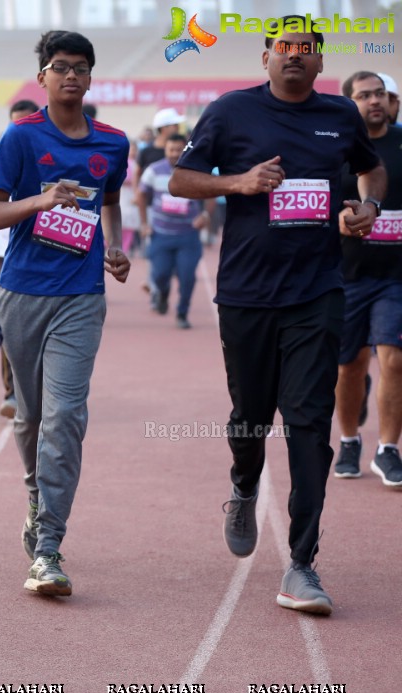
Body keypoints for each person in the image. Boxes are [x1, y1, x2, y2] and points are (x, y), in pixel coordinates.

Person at [169, 19, 384, 615]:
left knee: (310, 424)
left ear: (320, 62)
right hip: (246, 295)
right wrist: (239, 182)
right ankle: (242, 485)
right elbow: (181, 180)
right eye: (284, 49)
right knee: (250, 417)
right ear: (266, 58)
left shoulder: (341, 115)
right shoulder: (229, 112)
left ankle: (302, 564)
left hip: (318, 291)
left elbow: (372, 168)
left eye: (306, 49)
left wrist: (367, 205)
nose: (294, 56)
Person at [0, 30, 131, 598]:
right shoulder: (21, 139)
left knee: (65, 416)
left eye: (81, 68)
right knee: (29, 416)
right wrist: (41, 201)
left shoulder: (114, 143)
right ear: (42, 76)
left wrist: (113, 247)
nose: (71, 76)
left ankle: (47, 547)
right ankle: (35, 492)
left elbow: (109, 200)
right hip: (21, 293)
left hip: (82, 295)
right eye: (60, 67)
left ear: (92, 78)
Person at [331, 71, 402, 487]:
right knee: (350, 367)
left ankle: (389, 449)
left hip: (396, 275)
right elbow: (315, 199)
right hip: (346, 274)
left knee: (394, 358)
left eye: (380, 94)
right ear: (349, 103)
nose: (374, 101)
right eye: (364, 95)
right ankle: (350, 439)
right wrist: (335, 218)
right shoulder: (336, 145)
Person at [0, 99, 39, 420]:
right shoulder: (1, 150)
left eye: (26, 122)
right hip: (9, 249)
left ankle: (42, 387)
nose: (19, 129)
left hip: (48, 246)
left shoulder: (53, 148)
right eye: (14, 123)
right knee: (9, 324)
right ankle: (13, 392)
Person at [138, 132, 209, 329]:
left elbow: (211, 194)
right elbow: (142, 194)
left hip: (188, 235)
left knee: (187, 277)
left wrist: (205, 216)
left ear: (185, 150)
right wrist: (144, 223)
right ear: (165, 150)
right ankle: (162, 293)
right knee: (160, 275)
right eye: (171, 150)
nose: (174, 153)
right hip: (161, 234)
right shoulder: (154, 170)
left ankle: (182, 313)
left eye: (179, 150)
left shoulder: (196, 170)